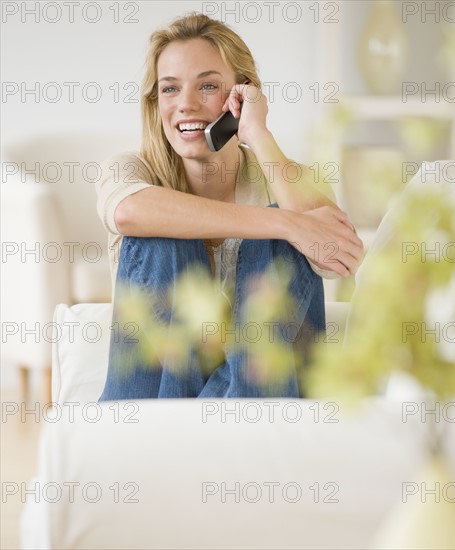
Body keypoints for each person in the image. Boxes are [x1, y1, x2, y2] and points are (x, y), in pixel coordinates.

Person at [96, 12, 363, 400]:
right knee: (163, 235)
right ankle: (189, 436)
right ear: (155, 103)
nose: (185, 104)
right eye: (169, 89)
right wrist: (286, 225)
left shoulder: (288, 178)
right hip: (151, 405)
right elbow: (127, 213)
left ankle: (228, 429)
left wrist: (257, 131)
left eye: (207, 86)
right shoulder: (131, 171)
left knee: (281, 233)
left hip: (260, 398)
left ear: (241, 94)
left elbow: (338, 256)